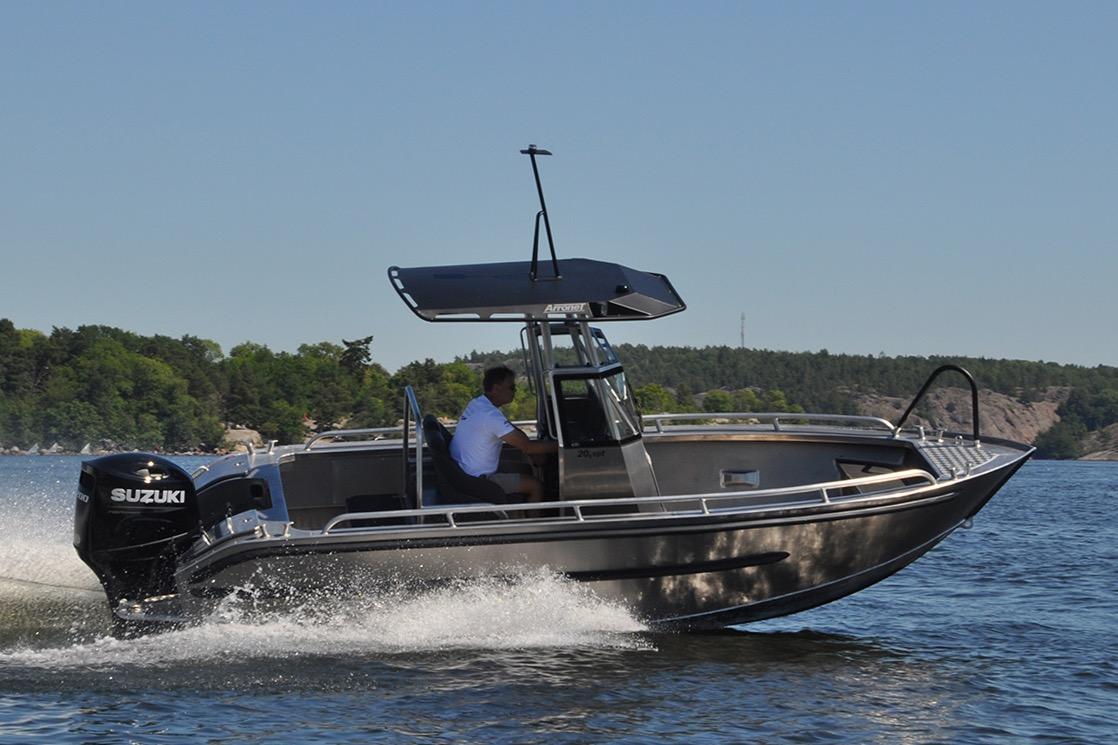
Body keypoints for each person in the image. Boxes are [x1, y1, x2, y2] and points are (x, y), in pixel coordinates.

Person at [450, 365, 557, 502]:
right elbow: (527, 446)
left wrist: (530, 447)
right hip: (479, 479)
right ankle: (532, 523)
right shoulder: (489, 415)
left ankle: (518, 512)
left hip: (465, 471)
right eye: (512, 387)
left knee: (525, 467)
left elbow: (516, 435)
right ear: (496, 388)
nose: (515, 390)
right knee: (536, 486)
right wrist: (561, 445)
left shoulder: (478, 404)